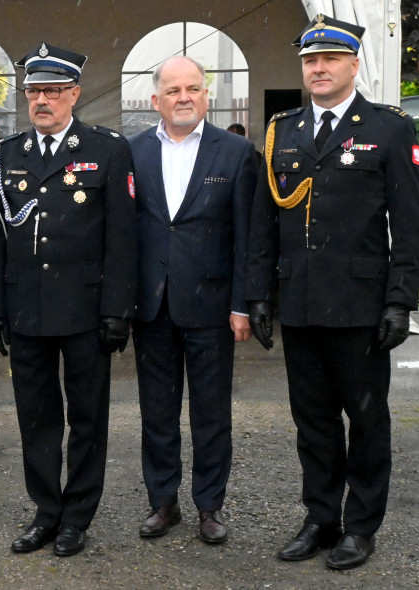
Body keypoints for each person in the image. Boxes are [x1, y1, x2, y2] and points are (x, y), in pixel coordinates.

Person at [247, 14, 419, 570]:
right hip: (299, 301)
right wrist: (259, 295)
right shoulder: (285, 130)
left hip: (359, 305)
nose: (317, 69)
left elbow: (410, 223)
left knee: (367, 419)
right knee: (313, 421)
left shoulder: (388, 128)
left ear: (353, 63)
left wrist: (400, 300)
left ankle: (361, 526)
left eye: (329, 59)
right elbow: (263, 223)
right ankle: (322, 517)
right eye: (309, 60)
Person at [0, 42, 137, 557]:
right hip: (26, 309)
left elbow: (122, 238)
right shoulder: (7, 156)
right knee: (37, 416)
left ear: (74, 94)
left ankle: (77, 517)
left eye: (52, 91)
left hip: (85, 312)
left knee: (88, 417)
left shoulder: (107, 150)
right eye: (33, 92)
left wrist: (118, 309)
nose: (41, 100)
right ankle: (46, 512)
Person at [128, 57, 254, 545]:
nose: (184, 97)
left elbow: (247, 237)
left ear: (207, 97)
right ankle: (163, 502)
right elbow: (123, 234)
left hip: (212, 306)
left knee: (211, 411)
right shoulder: (133, 151)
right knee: (156, 410)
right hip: (152, 306)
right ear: (155, 99)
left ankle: (209, 506)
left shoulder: (238, 153)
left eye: (193, 89)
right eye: (173, 89)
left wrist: (243, 303)